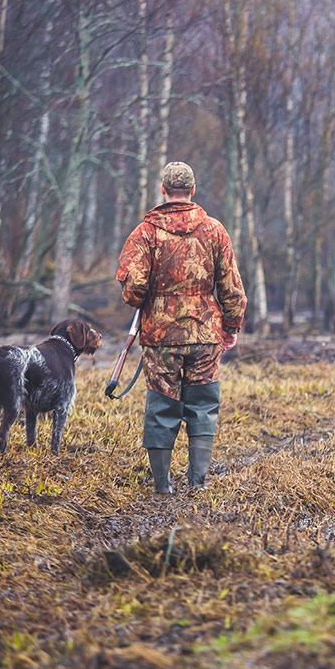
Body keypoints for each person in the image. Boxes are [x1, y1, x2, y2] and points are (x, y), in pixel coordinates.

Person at [116, 162, 247, 494]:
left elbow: (133, 292)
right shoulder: (215, 230)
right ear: (192, 190)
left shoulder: (144, 233)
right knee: (202, 405)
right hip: (206, 334)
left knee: (162, 405)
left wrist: (144, 295)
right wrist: (230, 326)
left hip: (160, 337)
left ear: (163, 190)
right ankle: (197, 483)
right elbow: (231, 287)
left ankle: (162, 486)